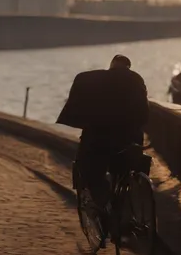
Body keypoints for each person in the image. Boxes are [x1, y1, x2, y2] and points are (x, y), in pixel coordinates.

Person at [57, 54, 149, 223]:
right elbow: (144, 112)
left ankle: (103, 202)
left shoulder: (92, 78)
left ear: (111, 66)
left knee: (89, 169)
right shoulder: (136, 79)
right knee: (127, 168)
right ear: (128, 67)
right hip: (129, 137)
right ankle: (125, 209)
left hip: (99, 136)